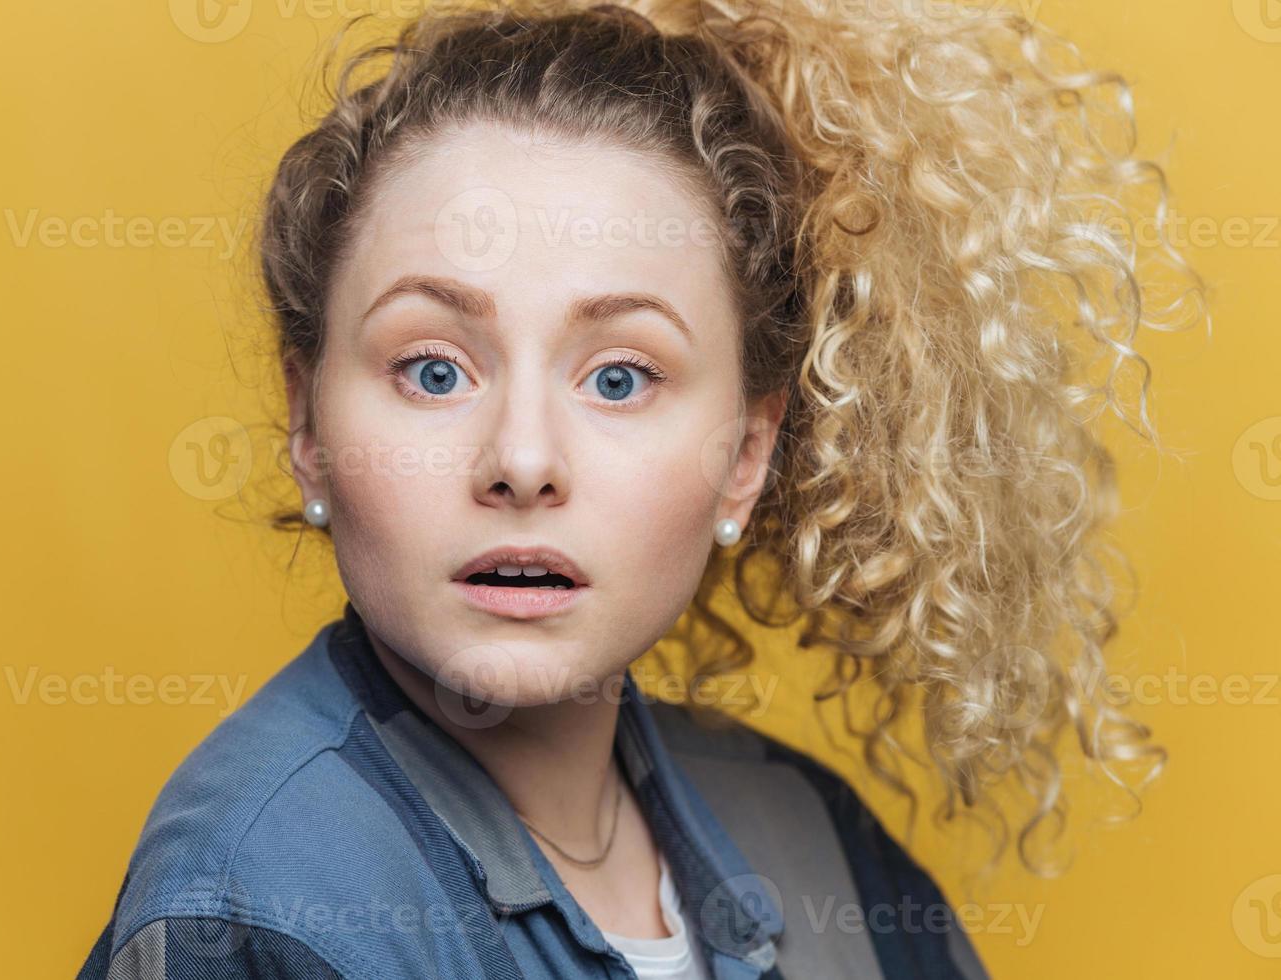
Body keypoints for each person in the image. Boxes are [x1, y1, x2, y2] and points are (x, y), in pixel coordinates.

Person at [78, 0, 1204, 975]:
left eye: (619, 377)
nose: (521, 459)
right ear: (308, 423)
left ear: (746, 455)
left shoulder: (814, 842)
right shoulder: (263, 903)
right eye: (433, 368)